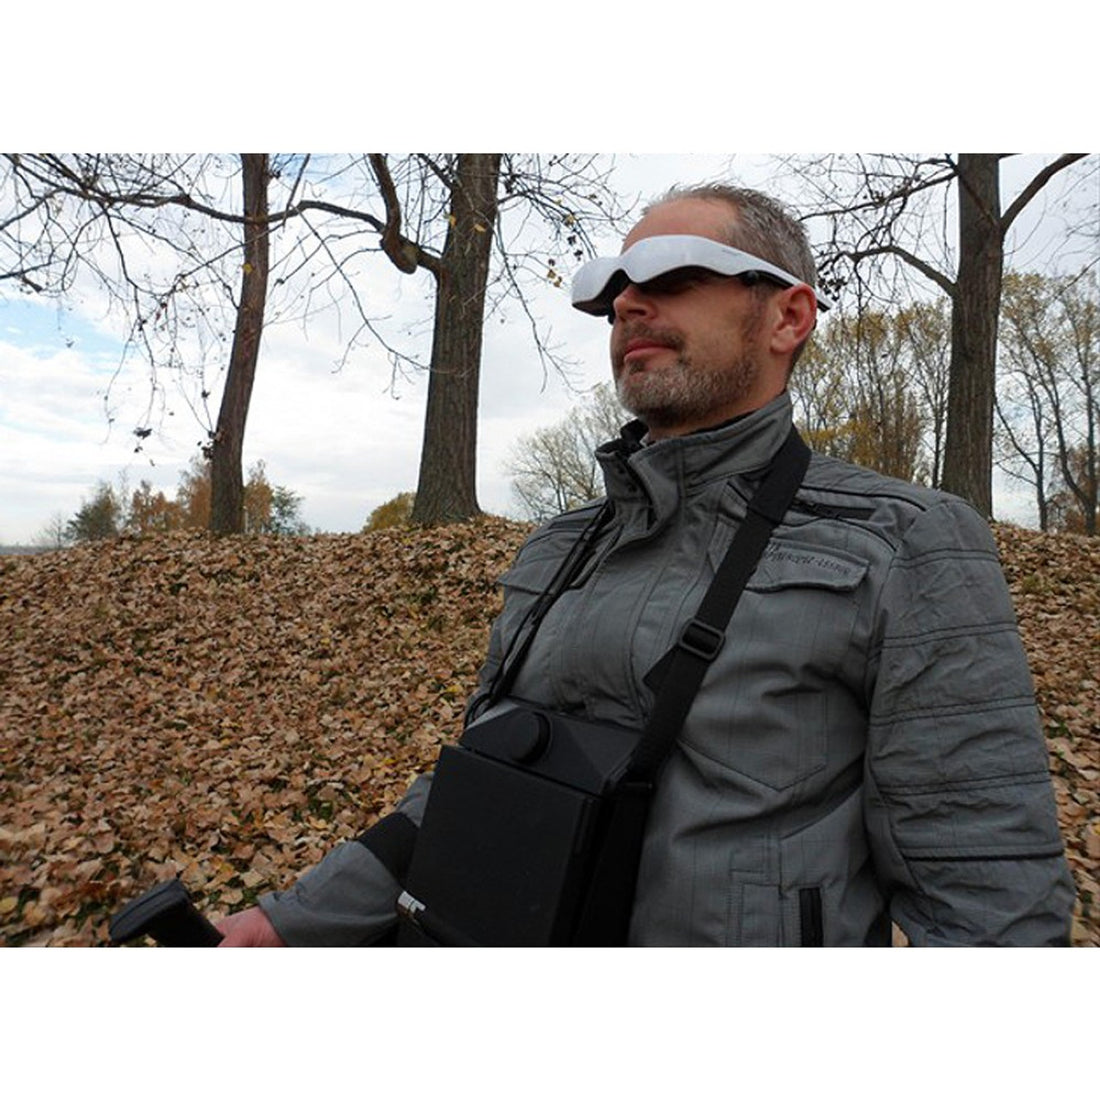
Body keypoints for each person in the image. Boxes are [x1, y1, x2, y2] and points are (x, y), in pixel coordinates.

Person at [219, 184, 1075, 947]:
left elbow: (989, 893)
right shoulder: (557, 549)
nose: (629, 302)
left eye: (672, 274)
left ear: (788, 316)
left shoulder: (903, 542)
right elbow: (478, 779)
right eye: (614, 289)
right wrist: (292, 921)